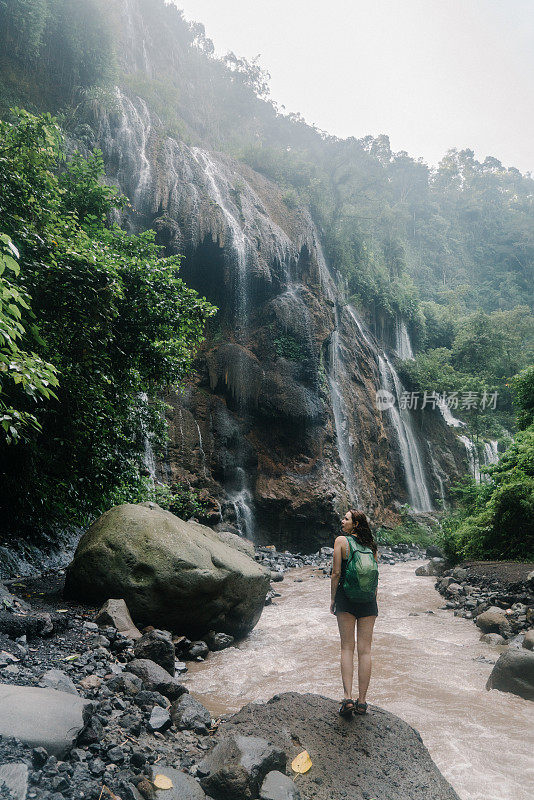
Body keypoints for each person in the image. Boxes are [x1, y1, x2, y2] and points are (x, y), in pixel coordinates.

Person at [330, 509, 379, 717]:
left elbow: (336, 573)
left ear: (355, 524)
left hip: (346, 599)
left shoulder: (341, 541)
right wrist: (372, 600)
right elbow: (376, 576)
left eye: (346, 519)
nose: (342, 521)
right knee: (365, 651)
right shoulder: (371, 546)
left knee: (347, 648)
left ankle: (348, 698)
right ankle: (362, 702)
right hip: (368, 602)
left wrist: (332, 599)